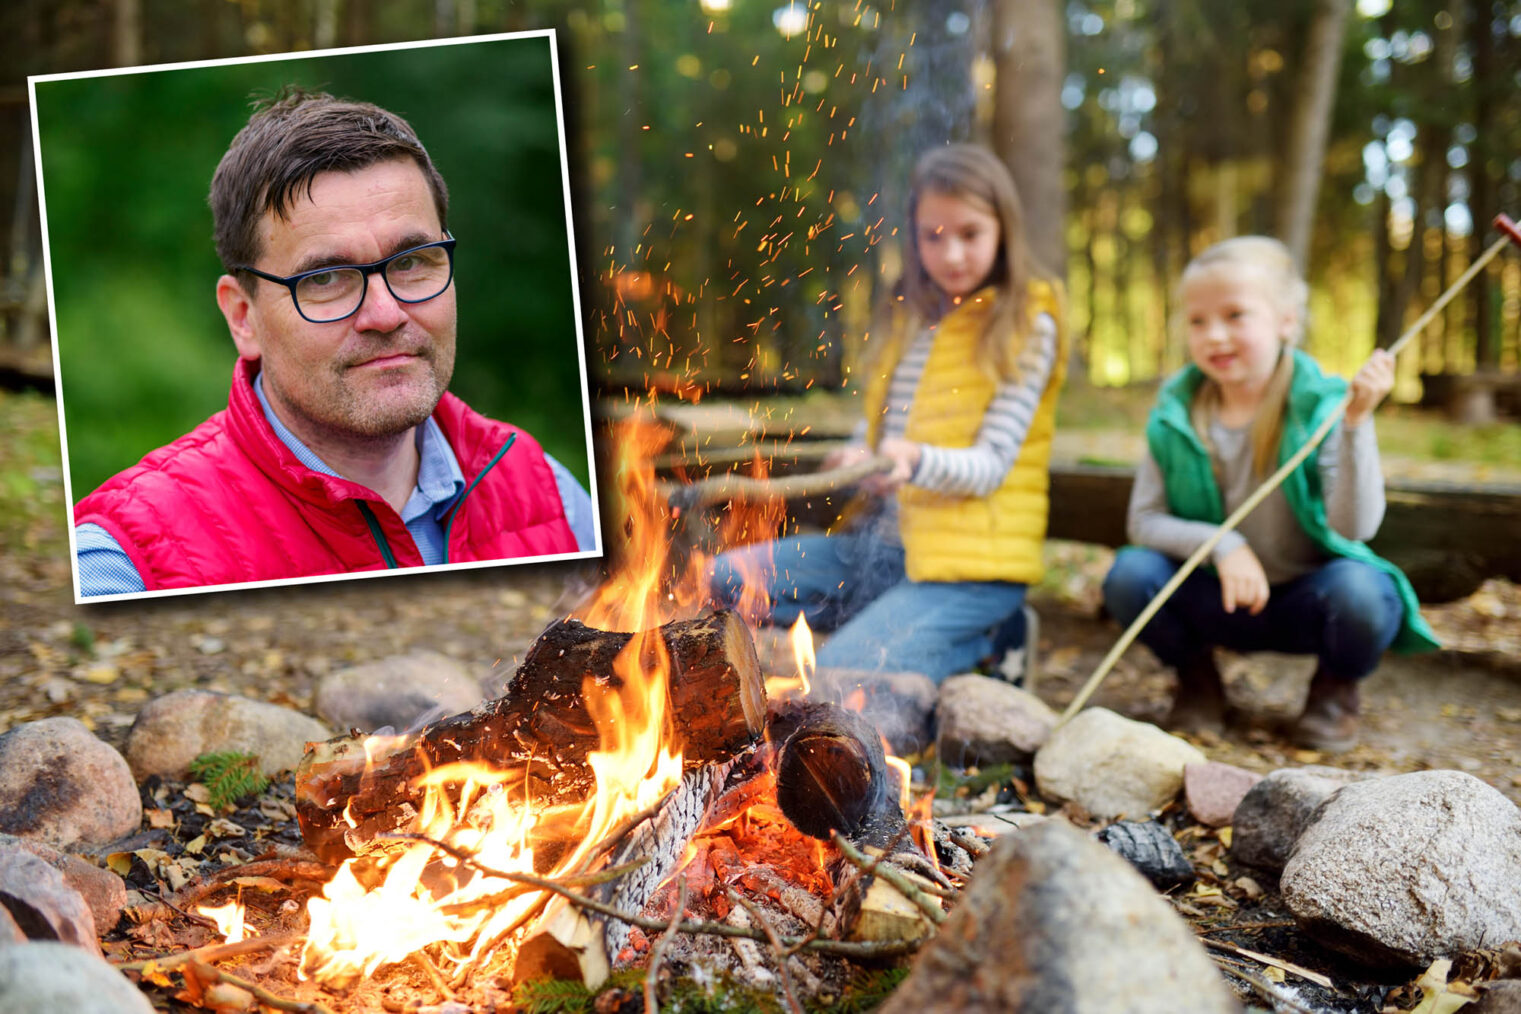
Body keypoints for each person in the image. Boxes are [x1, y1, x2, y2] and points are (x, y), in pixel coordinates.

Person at [72, 90, 595, 596]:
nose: (386, 314)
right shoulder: (124, 562)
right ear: (242, 317)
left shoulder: (548, 492)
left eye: (411, 262)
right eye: (324, 278)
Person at [709, 144, 1067, 681]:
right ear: (915, 235)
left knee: (838, 675)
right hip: (881, 552)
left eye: (970, 234)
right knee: (723, 580)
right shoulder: (910, 321)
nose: (952, 256)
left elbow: (992, 464)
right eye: (934, 237)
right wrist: (862, 454)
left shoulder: (1025, 325)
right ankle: (894, 630)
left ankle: (988, 640)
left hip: (969, 571)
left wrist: (916, 461)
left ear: (1004, 231)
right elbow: (887, 424)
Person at [1101, 236, 1438, 751]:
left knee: (1365, 594)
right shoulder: (1175, 413)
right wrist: (1223, 544)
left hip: (1308, 602)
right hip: (1217, 596)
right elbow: (1144, 521)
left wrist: (1354, 424)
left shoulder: (1321, 405)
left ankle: (1333, 691)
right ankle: (1198, 684)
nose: (1214, 334)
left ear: (1285, 320)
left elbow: (1355, 527)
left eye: (1236, 315)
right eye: (1197, 320)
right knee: (1130, 575)